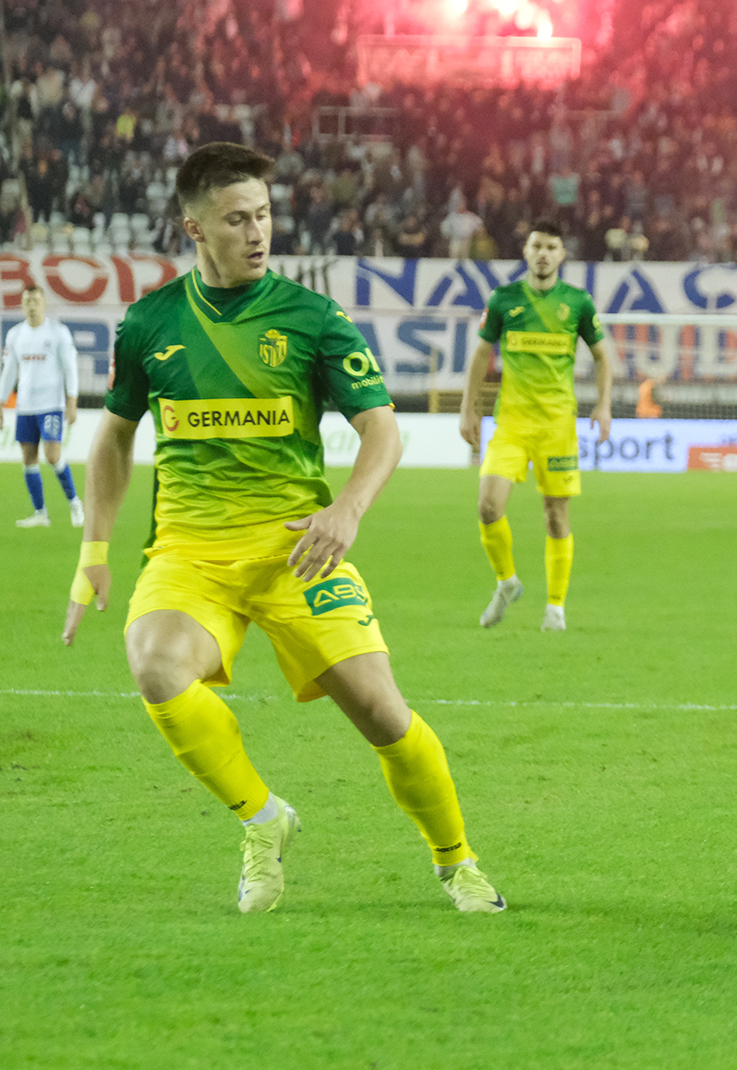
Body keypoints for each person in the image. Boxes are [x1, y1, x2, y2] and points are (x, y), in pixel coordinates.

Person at [61, 142, 505, 915]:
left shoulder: (312, 319)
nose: (258, 231)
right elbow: (112, 438)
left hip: (298, 547)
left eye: (264, 214)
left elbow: (382, 429)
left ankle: (456, 861)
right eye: (238, 219)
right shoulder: (149, 325)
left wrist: (346, 510)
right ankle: (263, 820)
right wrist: (93, 552)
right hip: (190, 554)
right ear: (194, 227)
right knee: (156, 664)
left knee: (383, 714)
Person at [460, 218, 614, 632]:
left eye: (551, 247)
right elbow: (479, 355)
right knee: (488, 506)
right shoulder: (505, 299)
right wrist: (468, 408)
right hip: (511, 423)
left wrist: (603, 404)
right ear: (526, 252)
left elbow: (602, 355)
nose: (543, 253)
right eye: (536, 246)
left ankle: (556, 607)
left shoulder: (577, 303)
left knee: (555, 517)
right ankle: (507, 582)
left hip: (556, 426)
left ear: (562, 254)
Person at [1, 284, 82, 527]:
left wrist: (72, 401)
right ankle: (40, 513)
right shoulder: (15, 335)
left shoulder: (58, 333)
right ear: (22, 304)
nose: (31, 305)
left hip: (51, 405)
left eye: (36, 301)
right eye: (27, 301)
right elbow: (9, 372)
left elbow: (70, 368)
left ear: (44, 303)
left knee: (53, 455)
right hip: (26, 406)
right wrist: (1, 402)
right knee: (28, 458)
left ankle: (74, 503)